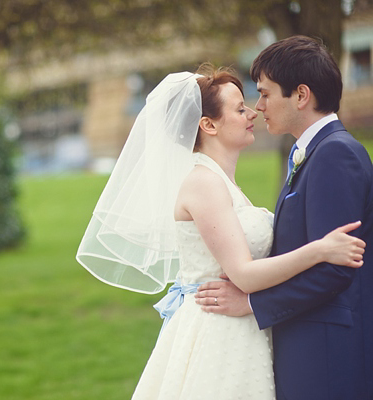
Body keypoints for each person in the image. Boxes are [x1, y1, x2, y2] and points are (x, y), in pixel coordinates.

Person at [76, 63, 366, 399]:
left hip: (242, 328)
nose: (253, 113)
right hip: (219, 332)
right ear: (209, 125)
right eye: (240, 108)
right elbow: (242, 274)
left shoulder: (222, 184)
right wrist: (320, 249)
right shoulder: (203, 184)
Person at [196, 36, 373, 400]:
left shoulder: (335, 155)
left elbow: (337, 267)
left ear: (301, 95)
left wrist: (251, 304)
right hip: (306, 341)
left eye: (265, 93)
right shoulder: (310, 152)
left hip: (326, 351)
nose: (258, 107)